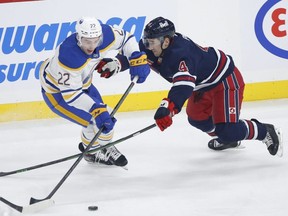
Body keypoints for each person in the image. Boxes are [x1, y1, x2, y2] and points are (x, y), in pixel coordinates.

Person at [139, 16, 283, 156]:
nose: (148, 46)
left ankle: (265, 131)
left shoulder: (183, 54)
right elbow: (134, 56)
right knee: (197, 118)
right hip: (203, 85)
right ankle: (229, 139)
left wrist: (169, 107)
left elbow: (183, 86)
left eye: (152, 42)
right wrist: (119, 64)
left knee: (227, 130)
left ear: (166, 42)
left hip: (225, 80)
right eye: (147, 41)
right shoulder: (151, 48)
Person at [39, 16, 150, 167]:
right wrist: (95, 109)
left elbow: (127, 38)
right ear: (78, 37)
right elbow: (72, 96)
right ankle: (92, 152)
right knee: (94, 120)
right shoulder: (68, 57)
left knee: (106, 117)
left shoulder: (106, 35)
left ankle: (101, 146)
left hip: (83, 85)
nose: (91, 46)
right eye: (87, 41)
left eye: (95, 40)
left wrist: (135, 56)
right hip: (58, 94)